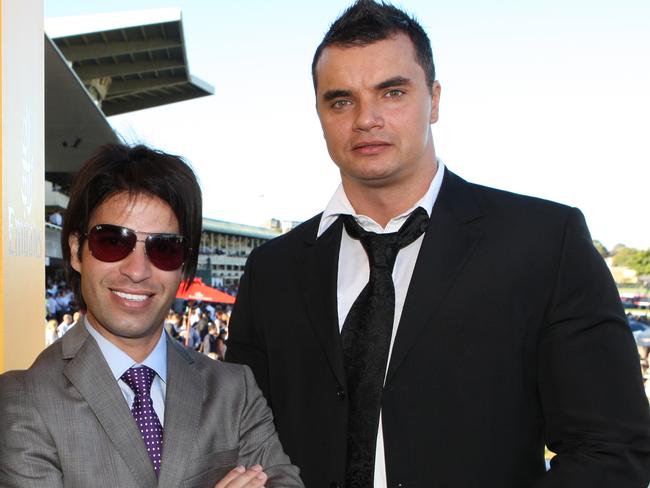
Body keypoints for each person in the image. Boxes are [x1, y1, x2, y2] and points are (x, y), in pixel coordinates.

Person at [225, 1, 650, 487]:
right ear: (319, 112)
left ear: (436, 99)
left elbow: (612, 450)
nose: (366, 118)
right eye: (341, 100)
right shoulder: (272, 271)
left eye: (391, 92)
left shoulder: (544, 243)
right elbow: (242, 441)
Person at [0, 143, 302, 488]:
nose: (137, 271)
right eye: (112, 241)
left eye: (164, 248)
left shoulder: (235, 390)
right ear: (75, 250)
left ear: (185, 264)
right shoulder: (24, 399)